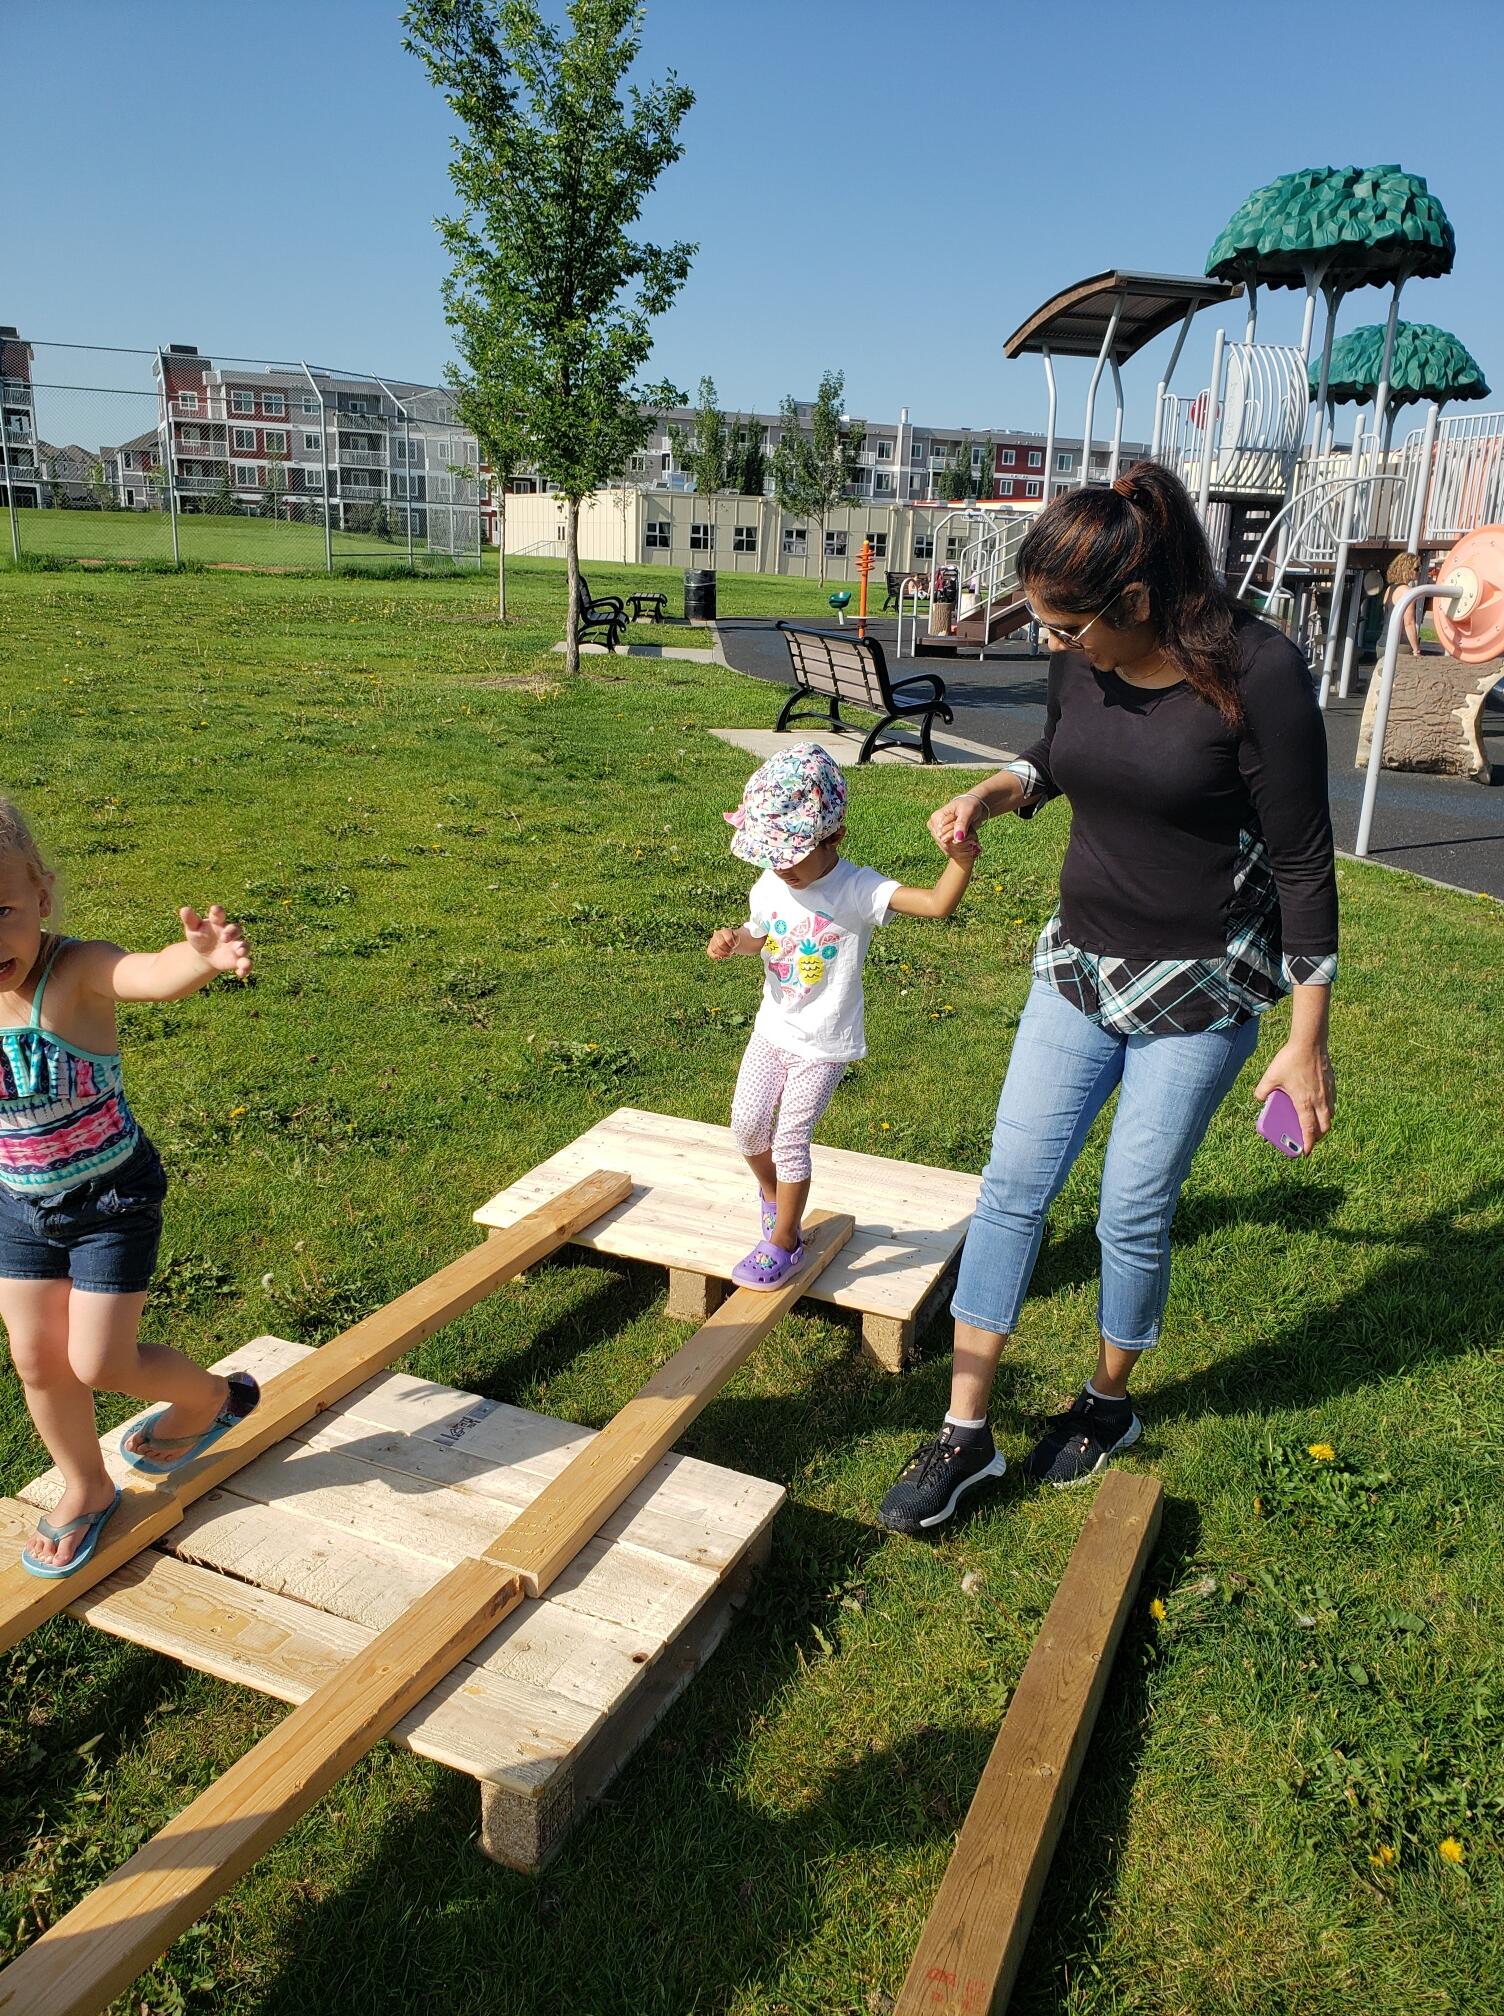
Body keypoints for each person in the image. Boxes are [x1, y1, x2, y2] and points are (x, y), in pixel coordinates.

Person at [878, 462, 1338, 1535]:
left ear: (1133, 603)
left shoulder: (1257, 672)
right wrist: (1001, 788)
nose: (1053, 645)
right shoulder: (1080, 656)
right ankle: (966, 1433)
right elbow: (1062, 752)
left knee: (1132, 1209)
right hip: (1080, 966)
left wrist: (1305, 1036)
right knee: (1011, 1190)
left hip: (1203, 985)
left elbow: (1306, 864)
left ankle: (1106, 1405)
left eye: (1066, 627)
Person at [0, 798, 260, 1578]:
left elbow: (143, 974)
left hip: (109, 1200)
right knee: (37, 1359)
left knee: (99, 1362)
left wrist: (200, 960)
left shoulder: (73, 972)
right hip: (17, 1202)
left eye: (0, 909)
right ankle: (85, 1486)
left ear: (42, 895)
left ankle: (212, 1400)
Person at [708, 744, 977, 1288]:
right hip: (773, 1029)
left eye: (791, 853)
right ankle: (772, 1194)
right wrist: (734, 940)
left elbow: (934, 905)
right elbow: (760, 936)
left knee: (790, 1139)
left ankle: (786, 1239)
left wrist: (960, 861)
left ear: (833, 837)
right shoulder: (772, 881)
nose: (781, 866)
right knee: (746, 1125)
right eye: (772, 854)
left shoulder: (857, 887)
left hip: (824, 1041)